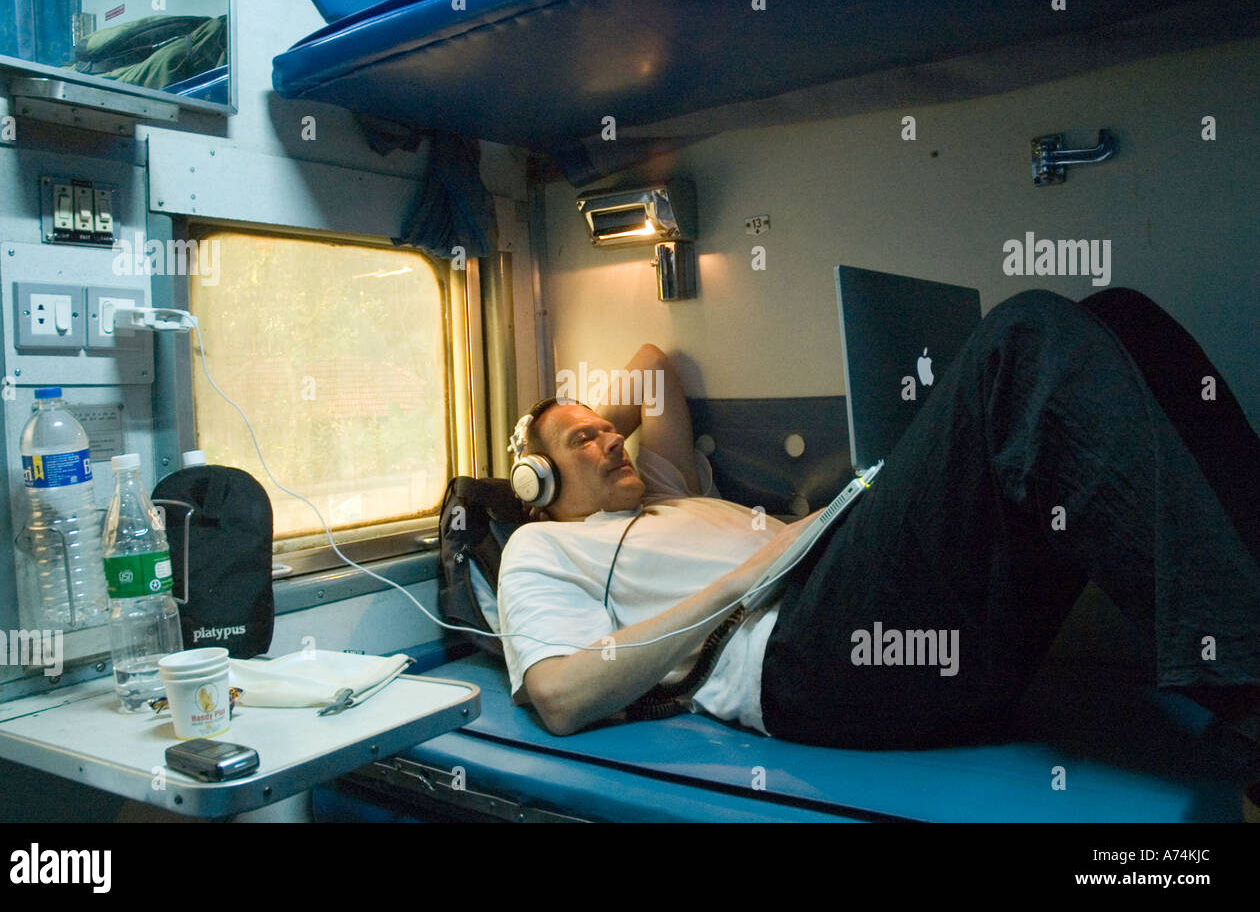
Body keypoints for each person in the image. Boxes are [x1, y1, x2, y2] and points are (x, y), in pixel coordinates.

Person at [496, 288, 1260, 754]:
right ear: (537, 482)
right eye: (583, 441)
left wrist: (583, 426)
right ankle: (1248, 686)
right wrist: (750, 575)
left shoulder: (663, 484)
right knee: (1020, 337)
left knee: (1122, 317)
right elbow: (560, 696)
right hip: (807, 655)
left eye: (609, 428)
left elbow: (653, 361)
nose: (608, 439)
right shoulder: (544, 542)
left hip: (884, 608)